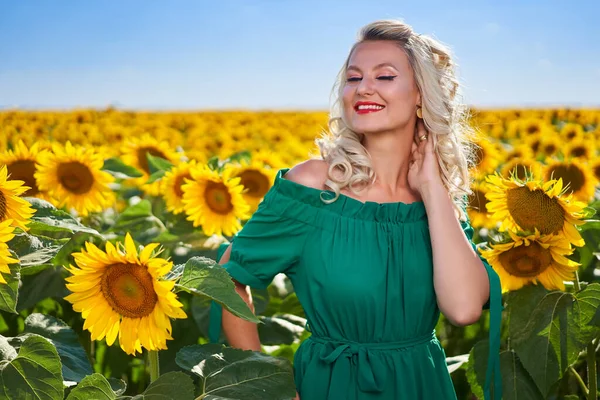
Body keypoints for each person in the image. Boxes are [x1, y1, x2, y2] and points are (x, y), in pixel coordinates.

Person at [209, 19, 503, 400]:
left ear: (420, 94)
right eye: (353, 77)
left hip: (421, 386)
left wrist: (433, 191)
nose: (363, 88)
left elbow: (464, 309)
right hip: (333, 386)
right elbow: (227, 278)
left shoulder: (441, 199)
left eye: (384, 77)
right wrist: (269, 389)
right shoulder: (314, 187)